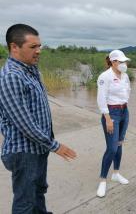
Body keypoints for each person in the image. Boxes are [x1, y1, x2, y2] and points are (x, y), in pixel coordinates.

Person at [0, 24, 77, 213]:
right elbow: (24, 123)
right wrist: (55, 146)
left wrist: (46, 144)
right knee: (24, 202)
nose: (39, 51)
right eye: (33, 47)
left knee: (38, 191)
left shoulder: (31, 70)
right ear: (14, 47)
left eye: (39, 46)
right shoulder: (11, 76)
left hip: (38, 147)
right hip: (24, 151)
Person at [96, 49, 131, 197]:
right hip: (112, 113)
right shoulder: (105, 77)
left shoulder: (125, 76)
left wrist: (124, 106)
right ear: (113, 61)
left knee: (119, 144)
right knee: (111, 148)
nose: (124, 64)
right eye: (121, 61)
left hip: (124, 112)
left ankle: (116, 173)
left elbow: (128, 91)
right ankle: (102, 180)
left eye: (125, 61)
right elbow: (101, 98)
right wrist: (108, 118)